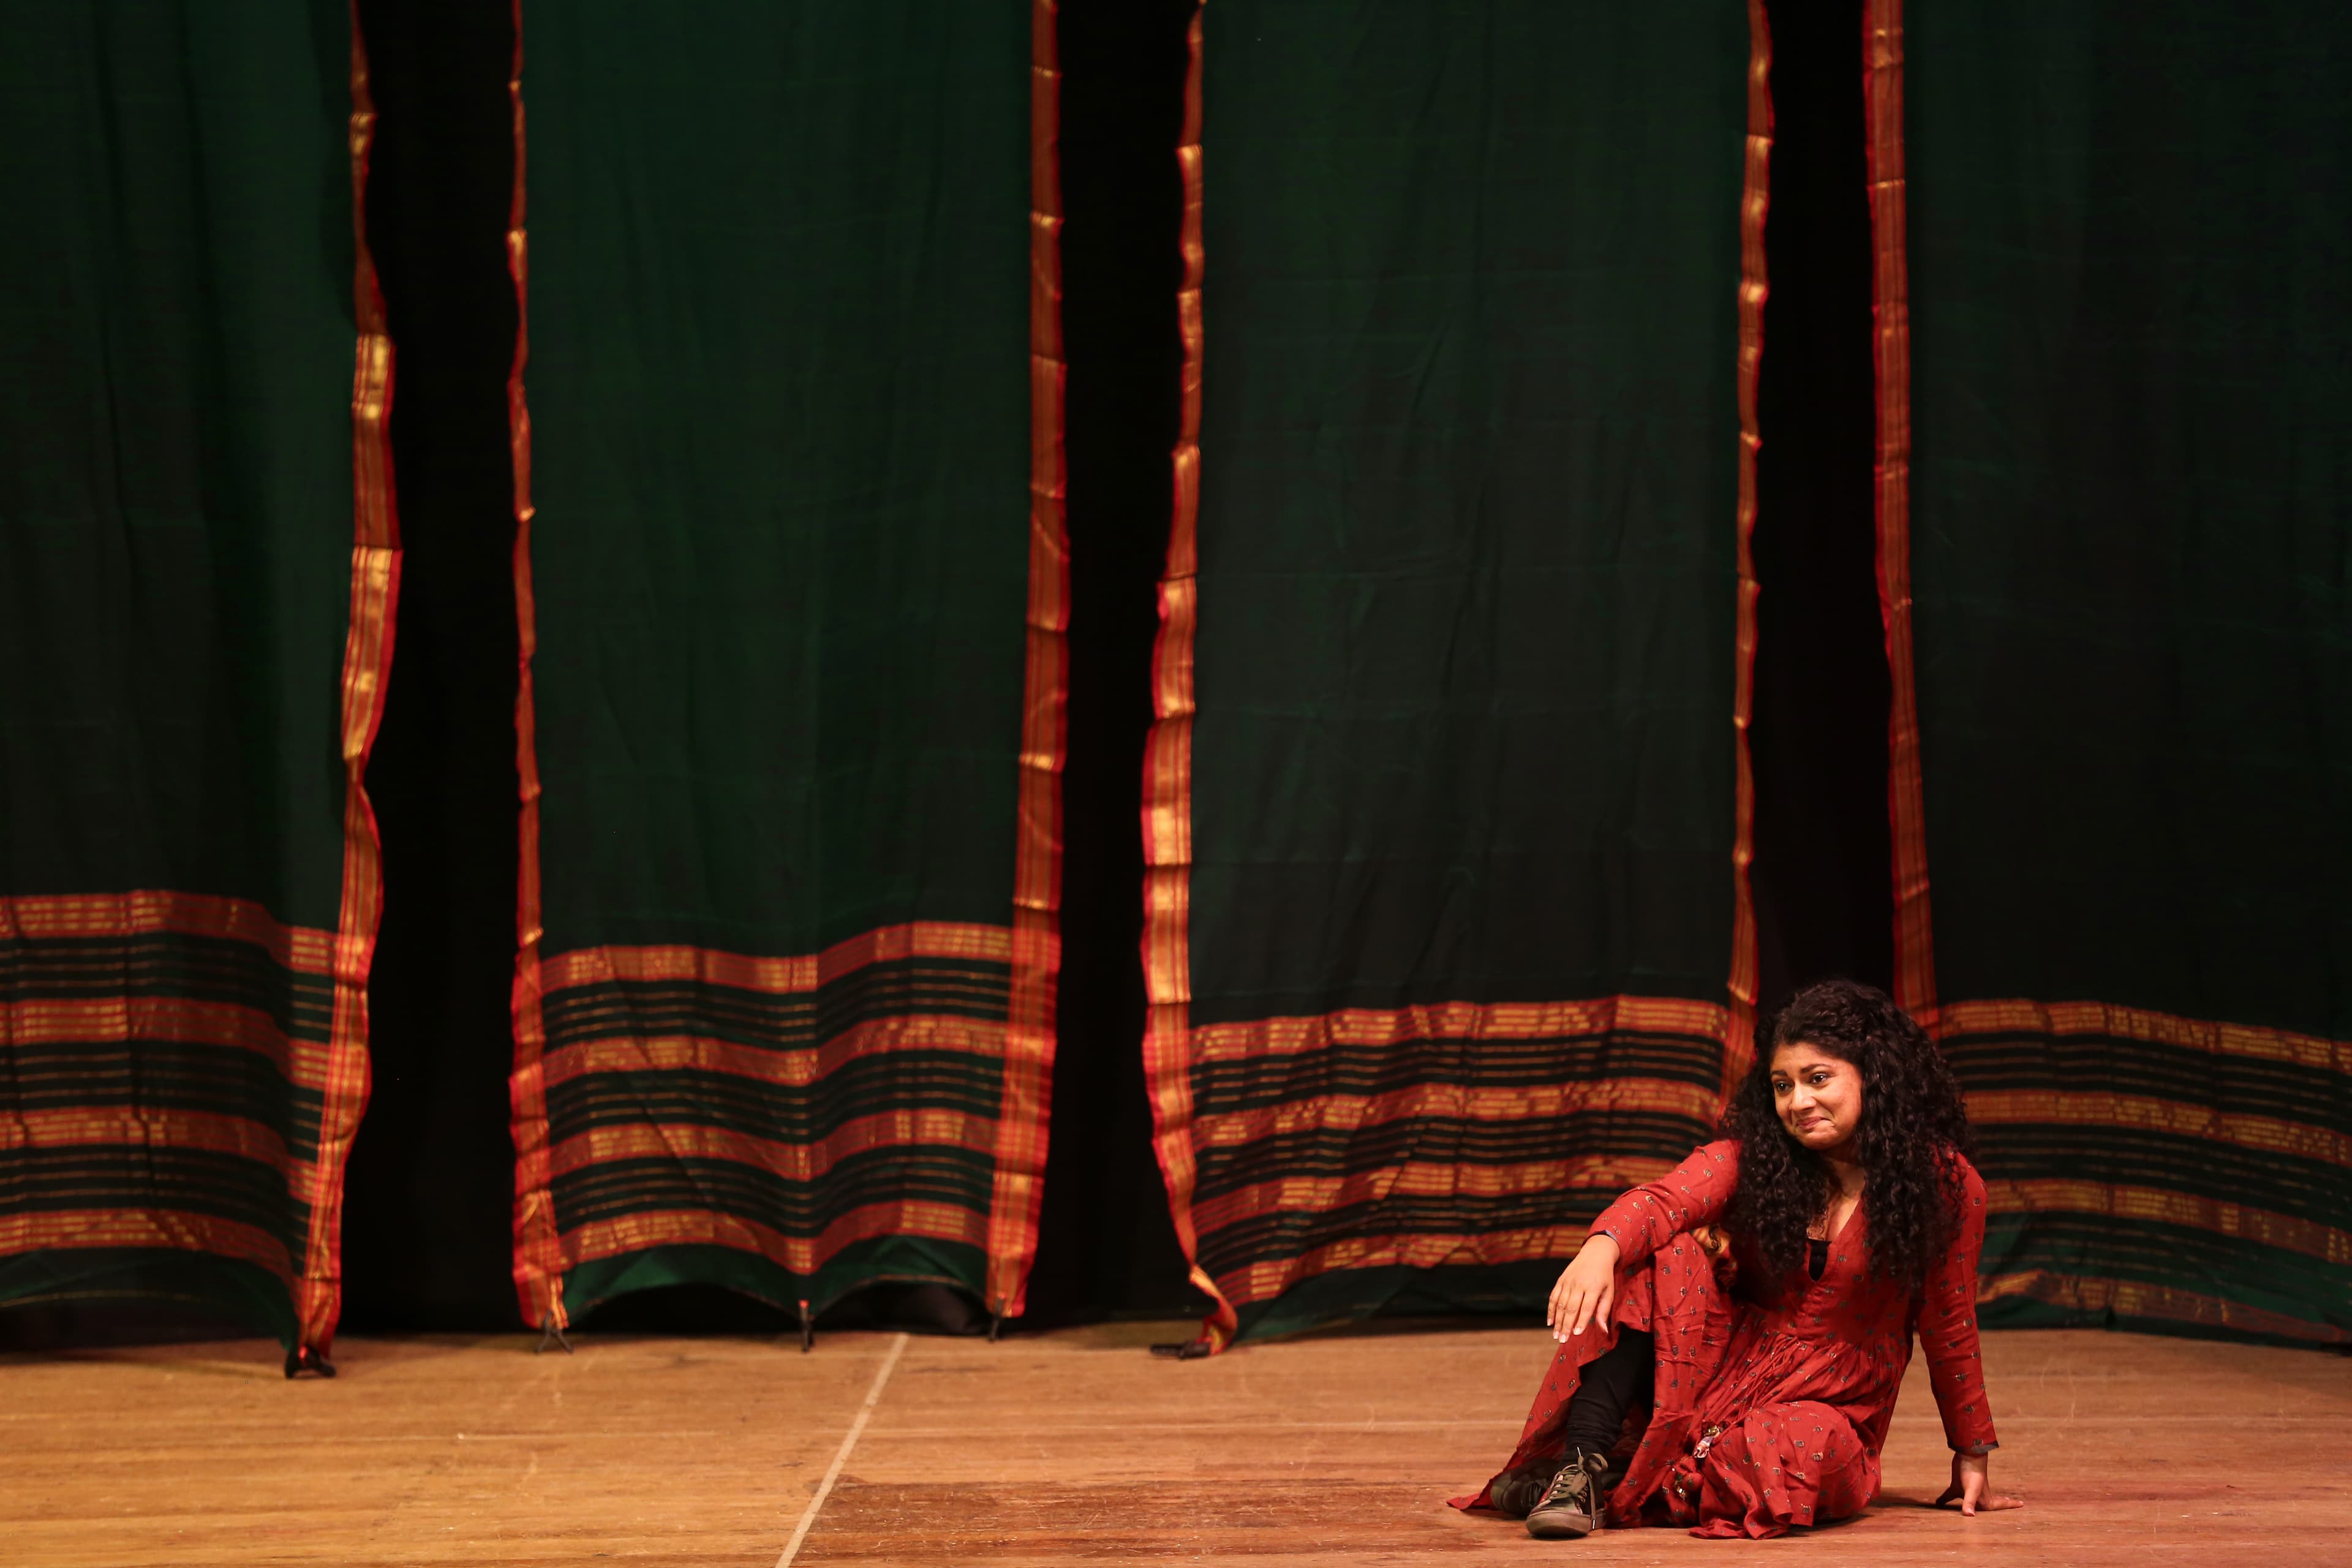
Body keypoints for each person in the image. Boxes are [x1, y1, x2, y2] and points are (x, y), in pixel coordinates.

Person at [1460, 979, 2025, 1540]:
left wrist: (1971, 1453)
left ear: (1875, 1075)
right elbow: (1663, 1201)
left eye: (1818, 1079)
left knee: (1803, 1452)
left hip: (1832, 1402)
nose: (1798, 1102)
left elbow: (1950, 1321)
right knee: (1661, 1252)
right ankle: (1580, 1471)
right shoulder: (1759, 1160)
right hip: (1723, 1369)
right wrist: (1601, 1246)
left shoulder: (1945, 1185)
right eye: (1783, 1085)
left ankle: (1621, 1487)